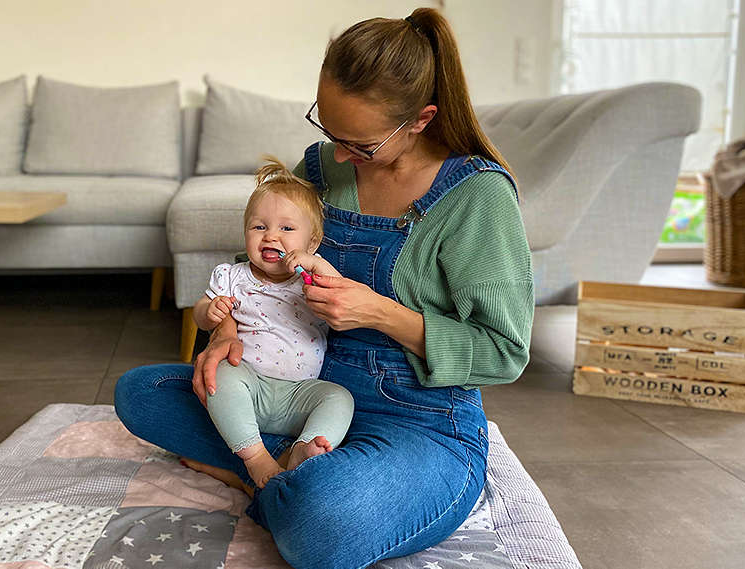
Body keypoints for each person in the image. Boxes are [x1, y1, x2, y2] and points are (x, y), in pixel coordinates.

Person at [115, 7, 534, 568]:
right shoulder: (322, 167)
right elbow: (256, 265)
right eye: (327, 130)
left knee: (326, 521)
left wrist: (381, 313)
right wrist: (226, 331)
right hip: (294, 396)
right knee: (141, 393)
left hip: (414, 420)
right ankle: (279, 468)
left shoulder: (478, 198)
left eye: (359, 144)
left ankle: (258, 478)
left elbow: (505, 353)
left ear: (421, 119)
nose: (336, 156)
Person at [196, 156, 353, 489]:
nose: (270, 237)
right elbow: (201, 309)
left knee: (340, 398)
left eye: (286, 229)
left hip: (298, 395)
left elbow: (341, 295)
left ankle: (301, 449)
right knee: (221, 376)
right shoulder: (232, 276)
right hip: (247, 384)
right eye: (259, 227)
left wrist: (314, 264)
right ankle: (256, 459)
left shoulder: (311, 277)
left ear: (312, 242)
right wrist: (209, 312)